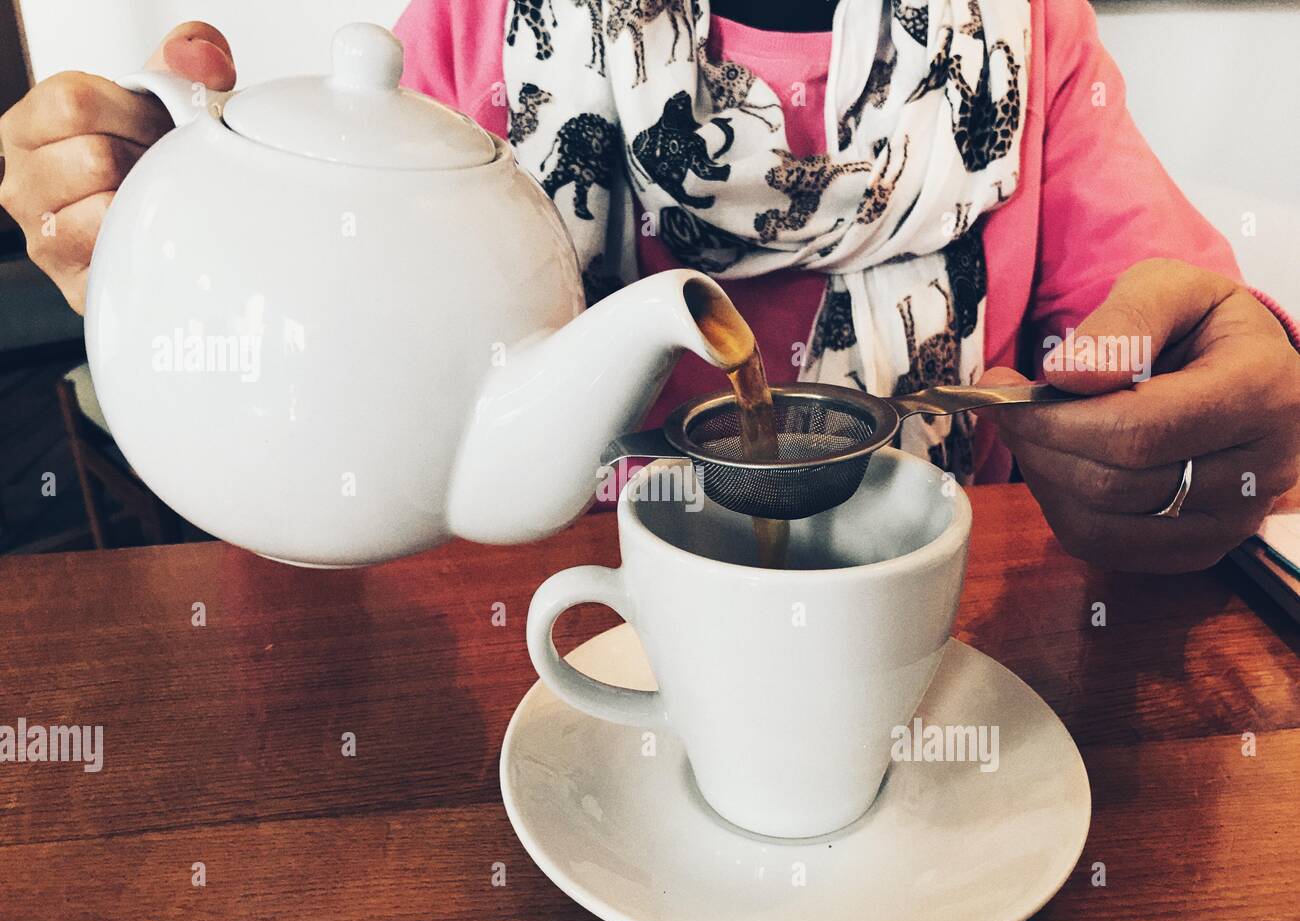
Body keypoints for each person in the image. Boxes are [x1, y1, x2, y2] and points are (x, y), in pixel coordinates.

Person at [1, 0, 1296, 574]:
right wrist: (177, 247)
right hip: (529, 665)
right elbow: (328, 373)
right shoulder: (479, 30)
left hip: (933, 663)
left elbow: (1172, 334)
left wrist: (1223, 403)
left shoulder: (1022, 44)